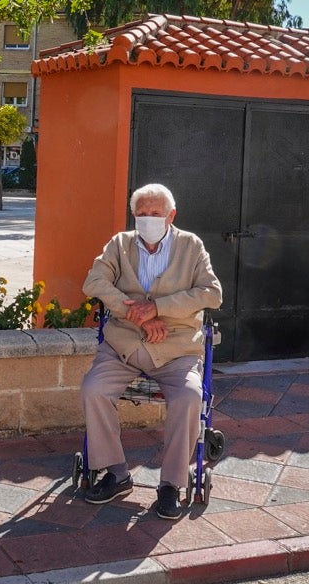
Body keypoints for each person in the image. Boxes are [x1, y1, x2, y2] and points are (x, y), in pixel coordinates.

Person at [80, 183, 222, 520]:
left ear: (171, 216)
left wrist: (158, 308)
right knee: (93, 389)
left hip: (175, 351)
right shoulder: (120, 245)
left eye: (155, 214)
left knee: (189, 399)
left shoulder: (191, 246)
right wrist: (140, 316)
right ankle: (116, 473)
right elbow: (94, 283)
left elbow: (211, 293)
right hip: (124, 346)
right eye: (141, 214)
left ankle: (171, 485)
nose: (147, 220)